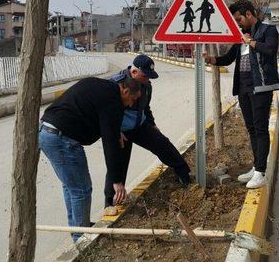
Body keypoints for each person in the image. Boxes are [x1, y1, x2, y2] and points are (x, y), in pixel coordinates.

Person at [39, 75, 142, 242]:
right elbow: (110, 144)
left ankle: (79, 228)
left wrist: (115, 131)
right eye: (132, 99)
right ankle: (81, 238)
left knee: (71, 187)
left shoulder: (102, 87)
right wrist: (117, 181)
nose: (130, 104)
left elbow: (101, 120)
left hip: (46, 132)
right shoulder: (113, 101)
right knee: (81, 190)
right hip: (62, 139)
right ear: (125, 90)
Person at [202, 0, 279, 189]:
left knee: (261, 130)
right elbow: (228, 59)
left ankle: (261, 172)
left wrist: (251, 42)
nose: (237, 23)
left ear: (248, 14)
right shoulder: (240, 38)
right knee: (251, 129)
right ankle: (256, 167)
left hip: (261, 87)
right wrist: (211, 59)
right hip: (244, 89)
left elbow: (270, 49)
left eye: (239, 19)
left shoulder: (267, 30)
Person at [104, 54, 192, 208]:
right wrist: (115, 131)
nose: (147, 80)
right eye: (145, 76)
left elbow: (145, 107)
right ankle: (111, 203)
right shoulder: (115, 85)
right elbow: (106, 113)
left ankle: (185, 176)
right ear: (134, 72)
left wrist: (152, 124)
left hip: (140, 126)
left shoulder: (145, 85)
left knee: (164, 145)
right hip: (120, 132)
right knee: (117, 165)